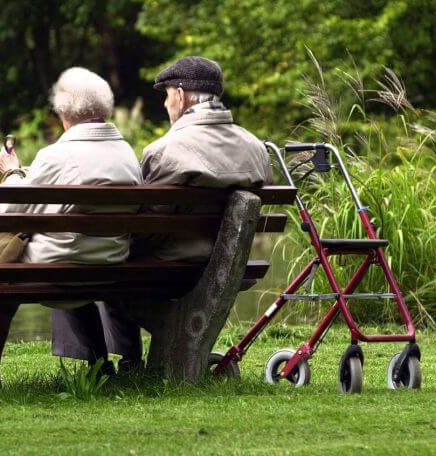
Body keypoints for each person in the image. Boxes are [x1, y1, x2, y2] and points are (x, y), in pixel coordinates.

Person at [51, 56, 273, 371]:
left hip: (172, 270)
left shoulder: (166, 150)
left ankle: (104, 364)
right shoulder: (256, 148)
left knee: (84, 253)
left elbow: (147, 232)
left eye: (166, 95)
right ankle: (129, 361)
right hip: (231, 266)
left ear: (180, 95)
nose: (166, 104)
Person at [0, 67, 142, 391]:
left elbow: (8, 212)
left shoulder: (56, 155)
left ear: (64, 111)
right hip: (109, 263)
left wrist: (12, 171)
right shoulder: (127, 154)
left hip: (57, 265)